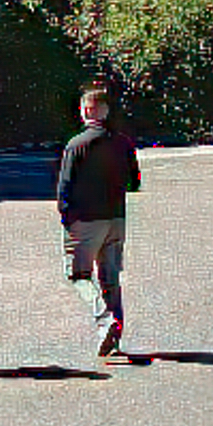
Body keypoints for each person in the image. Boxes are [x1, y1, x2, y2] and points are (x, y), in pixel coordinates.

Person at [55, 86, 141, 356]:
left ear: (86, 111)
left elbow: (65, 186)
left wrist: (66, 216)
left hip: (85, 220)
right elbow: (134, 182)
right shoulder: (123, 143)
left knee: (79, 274)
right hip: (115, 217)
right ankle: (114, 338)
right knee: (110, 278)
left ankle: (105, 319)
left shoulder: (76, 145)